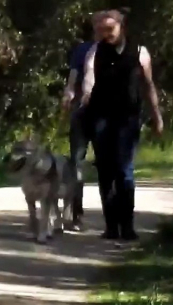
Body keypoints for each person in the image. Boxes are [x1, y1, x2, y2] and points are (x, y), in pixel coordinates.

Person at [81, 9, 164, 240]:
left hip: (128, 119)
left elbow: (148, 86)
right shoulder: (95, 52)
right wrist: (83, 101)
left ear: (122, 27)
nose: (105, 34)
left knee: (124, 170)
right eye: (101, 30)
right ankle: (111, 226)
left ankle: (127, 226)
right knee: (106, 171)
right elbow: (89, 79)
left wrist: (156, 115)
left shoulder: (139, 53)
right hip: (100, 118)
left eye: (110, 29)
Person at [61, 11, 105, 231]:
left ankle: (113, 218)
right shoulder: (82, 50)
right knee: (76, 164)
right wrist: (68, 92)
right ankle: (75, 214)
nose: (99, 27)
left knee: (108, 164)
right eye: (96, 24)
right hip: (82, 112)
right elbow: (73, 76)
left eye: (103, 24)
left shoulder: (119, 51)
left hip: (106, 115)